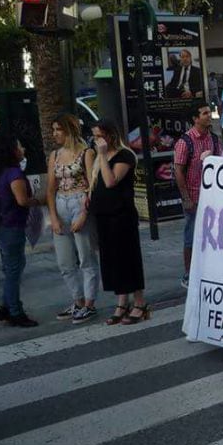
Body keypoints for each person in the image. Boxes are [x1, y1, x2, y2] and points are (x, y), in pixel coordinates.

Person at [90, 120, 149, 326]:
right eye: (94, 136)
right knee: (112, 260)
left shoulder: (124, 156)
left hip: (121, 215)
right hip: (104, 215)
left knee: (127, 258)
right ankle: (122, 301)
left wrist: (103, 156)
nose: (96, 140)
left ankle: (139, 302)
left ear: (109, 135)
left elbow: (110, 181)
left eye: (99, 136)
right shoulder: (100, 157)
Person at [47, 114, 101, 324]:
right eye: (54, 130)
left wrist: (84, 214)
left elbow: (92, 185)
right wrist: (53, 217)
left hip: (80, 202)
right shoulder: (55, 155)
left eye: (58, 129)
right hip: (61, 204)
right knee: (65, 261)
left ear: (69, 131)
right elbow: (50, 189)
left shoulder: (86, 153)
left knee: (86, 257)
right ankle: (77, 301)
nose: (55, 134)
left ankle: (89, 303)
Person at [0, 135, 42, 327]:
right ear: (12, 150)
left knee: (13, 267)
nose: (23, 149)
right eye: (19, 146)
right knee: (13, 271)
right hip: (11, 226)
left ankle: (4, 306)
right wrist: (38, 200)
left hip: (1, 226)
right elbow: (22, 200)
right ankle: (15, 311)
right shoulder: (14, 174)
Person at [173, 101, 220, 289]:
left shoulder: (214, 139)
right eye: (204, 113)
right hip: (194, 195)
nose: (209, 116)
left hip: (211, 197)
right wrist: (186, 198)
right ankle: (188, 273)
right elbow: (178, 170)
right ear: (195, 118)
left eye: (209, 112)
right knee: (191, 236)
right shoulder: (185, 142)